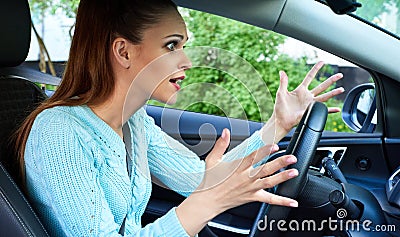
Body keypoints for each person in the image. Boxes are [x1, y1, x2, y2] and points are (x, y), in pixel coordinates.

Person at [15, 0, 344, 236]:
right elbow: (207, 194)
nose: (186, 60)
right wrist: (206, 203)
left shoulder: (135, 124)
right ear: (123, 51)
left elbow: (200, 181)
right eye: (171, 45)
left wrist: (278, 124)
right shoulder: (59, 131)